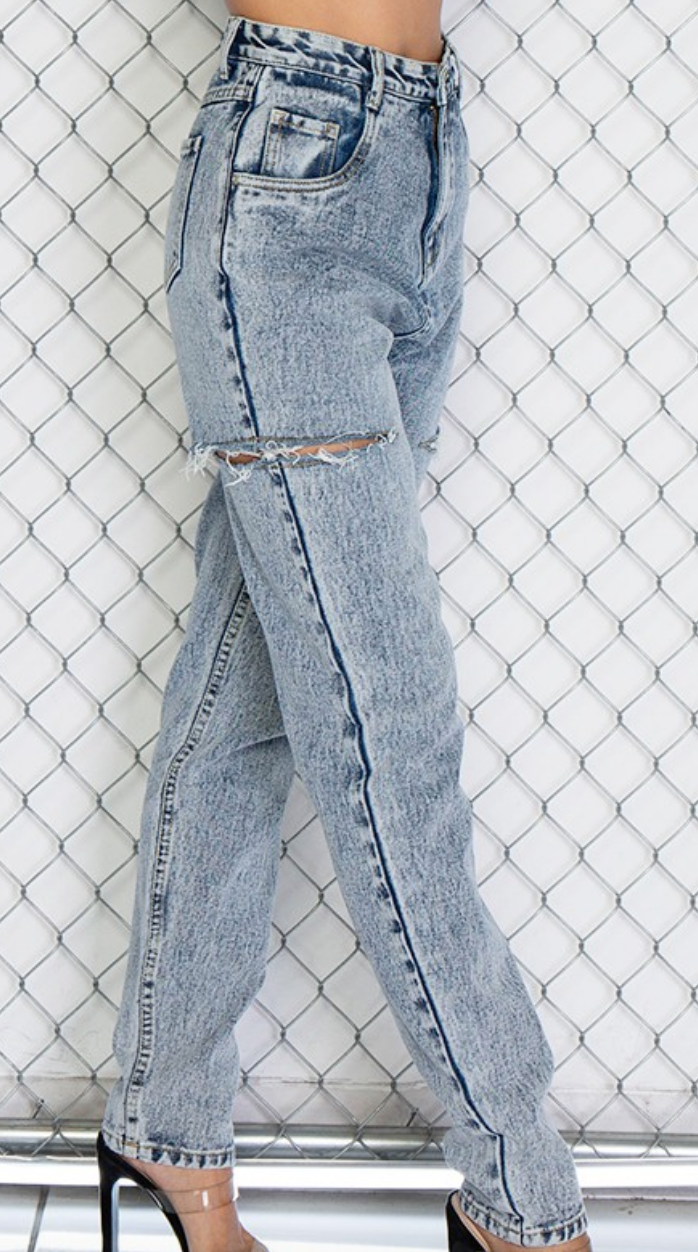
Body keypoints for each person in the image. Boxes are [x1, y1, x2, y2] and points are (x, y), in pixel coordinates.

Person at [97, 4, 594, 1251]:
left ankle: (167, 1137)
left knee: (245, 710)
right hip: (293, 174)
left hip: (418, 161)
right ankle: (524, 1198)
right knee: (390, 734)